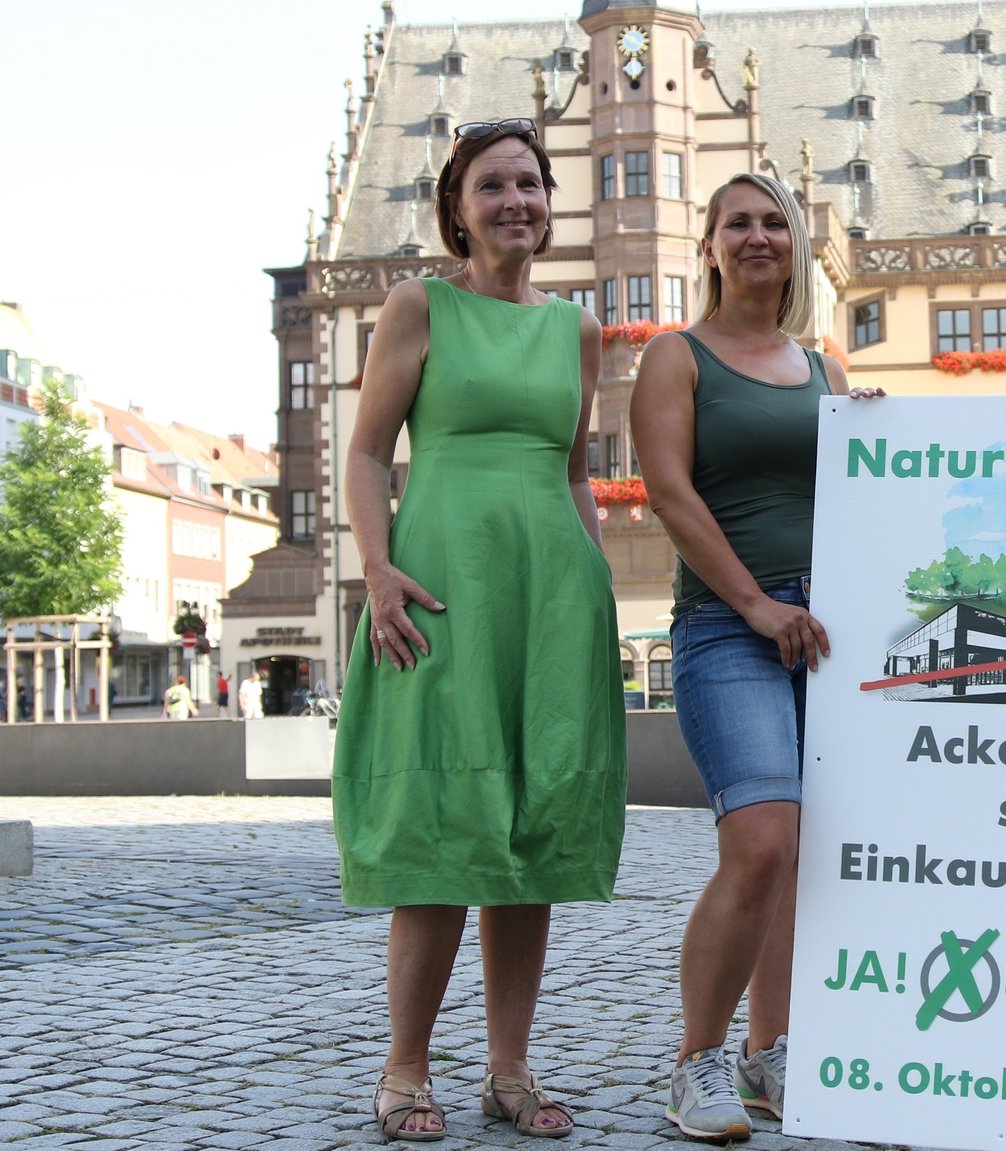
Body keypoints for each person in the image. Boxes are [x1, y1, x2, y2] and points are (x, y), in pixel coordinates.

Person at [330, 116, 626, 1142]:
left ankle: (508, 1067)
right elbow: (368, 453)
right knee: (445, 827)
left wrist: (592, 587)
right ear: (457, 208)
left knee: (531, 828)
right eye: (493, 186)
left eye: (531, 185)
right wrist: (377, 569)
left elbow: (574, 471)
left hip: (550, 593)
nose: (516, 202)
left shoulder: (576, 330)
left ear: (551, 202)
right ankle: (404, 1068)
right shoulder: (420, 306)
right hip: (444, 583)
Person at [632, 171, 879, 1143]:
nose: (756, 235)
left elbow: (862, 494)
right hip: (725, 627)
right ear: (708, 247)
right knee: (762, 839)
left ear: (796, 245)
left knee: (802, 855)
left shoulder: (822, 367)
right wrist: (753, 601)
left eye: (772, 220)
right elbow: (669, 495)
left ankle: (769, 1052)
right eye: (735, 222)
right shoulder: (676, 357)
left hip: (824, 630)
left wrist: (886, 436)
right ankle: (697, 1059)